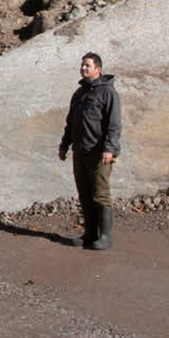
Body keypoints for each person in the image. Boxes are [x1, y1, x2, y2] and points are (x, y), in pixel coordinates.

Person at [58, 51, 121, 249]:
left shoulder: (108, 93)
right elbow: (71, 123)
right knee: (84, 193)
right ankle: (90, 233)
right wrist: (65, 144)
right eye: (82, 65)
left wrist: (109, 148)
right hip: (80, 150)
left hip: (99, 152)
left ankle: (105, 237)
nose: (83, 68)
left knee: (100, 193)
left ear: (98, 69)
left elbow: (114, 124)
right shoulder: (79, 93)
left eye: (88, 65)